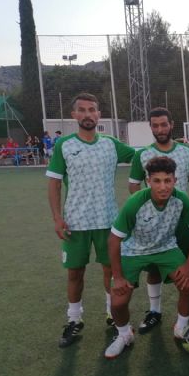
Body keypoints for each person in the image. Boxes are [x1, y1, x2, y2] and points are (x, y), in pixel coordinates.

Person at [46, 92, 136, 348]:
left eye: (92, 110)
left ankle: (112, 314)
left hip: (108, 222)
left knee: (111, 271)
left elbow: (139, 157)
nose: (87, 114)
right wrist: (57, 218)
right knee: (75, 273)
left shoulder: (110, 144)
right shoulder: (64, 145)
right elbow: (54, 184)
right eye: (82, 110)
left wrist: (170, 145)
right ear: (74, 115)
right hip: (75, 223)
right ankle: (74, 319)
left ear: (99, 114)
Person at [107, 156, 189, 358]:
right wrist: (118, 277)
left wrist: (188, 265)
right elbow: (114, 240)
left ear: (175, 180)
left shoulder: (180, 199)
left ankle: (181, 326)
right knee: (117, 302)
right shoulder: (135, 202)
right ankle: (124, 334)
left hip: (165, 247)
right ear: (148, 181)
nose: (163, 186)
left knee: (188, 285)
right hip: (134, 250)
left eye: (167, 180)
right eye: (157, 181)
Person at [128, 107, 189, 332]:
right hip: (155, 222)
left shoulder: (186, 151)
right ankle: (154, 310)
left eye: (164, 124)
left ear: (172, 125)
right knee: (154, 267)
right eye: (155, 125)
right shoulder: (142, 154)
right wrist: (144, 211)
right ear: (151, 127)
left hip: (182, 220)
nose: (160, 129)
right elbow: (133, 184)